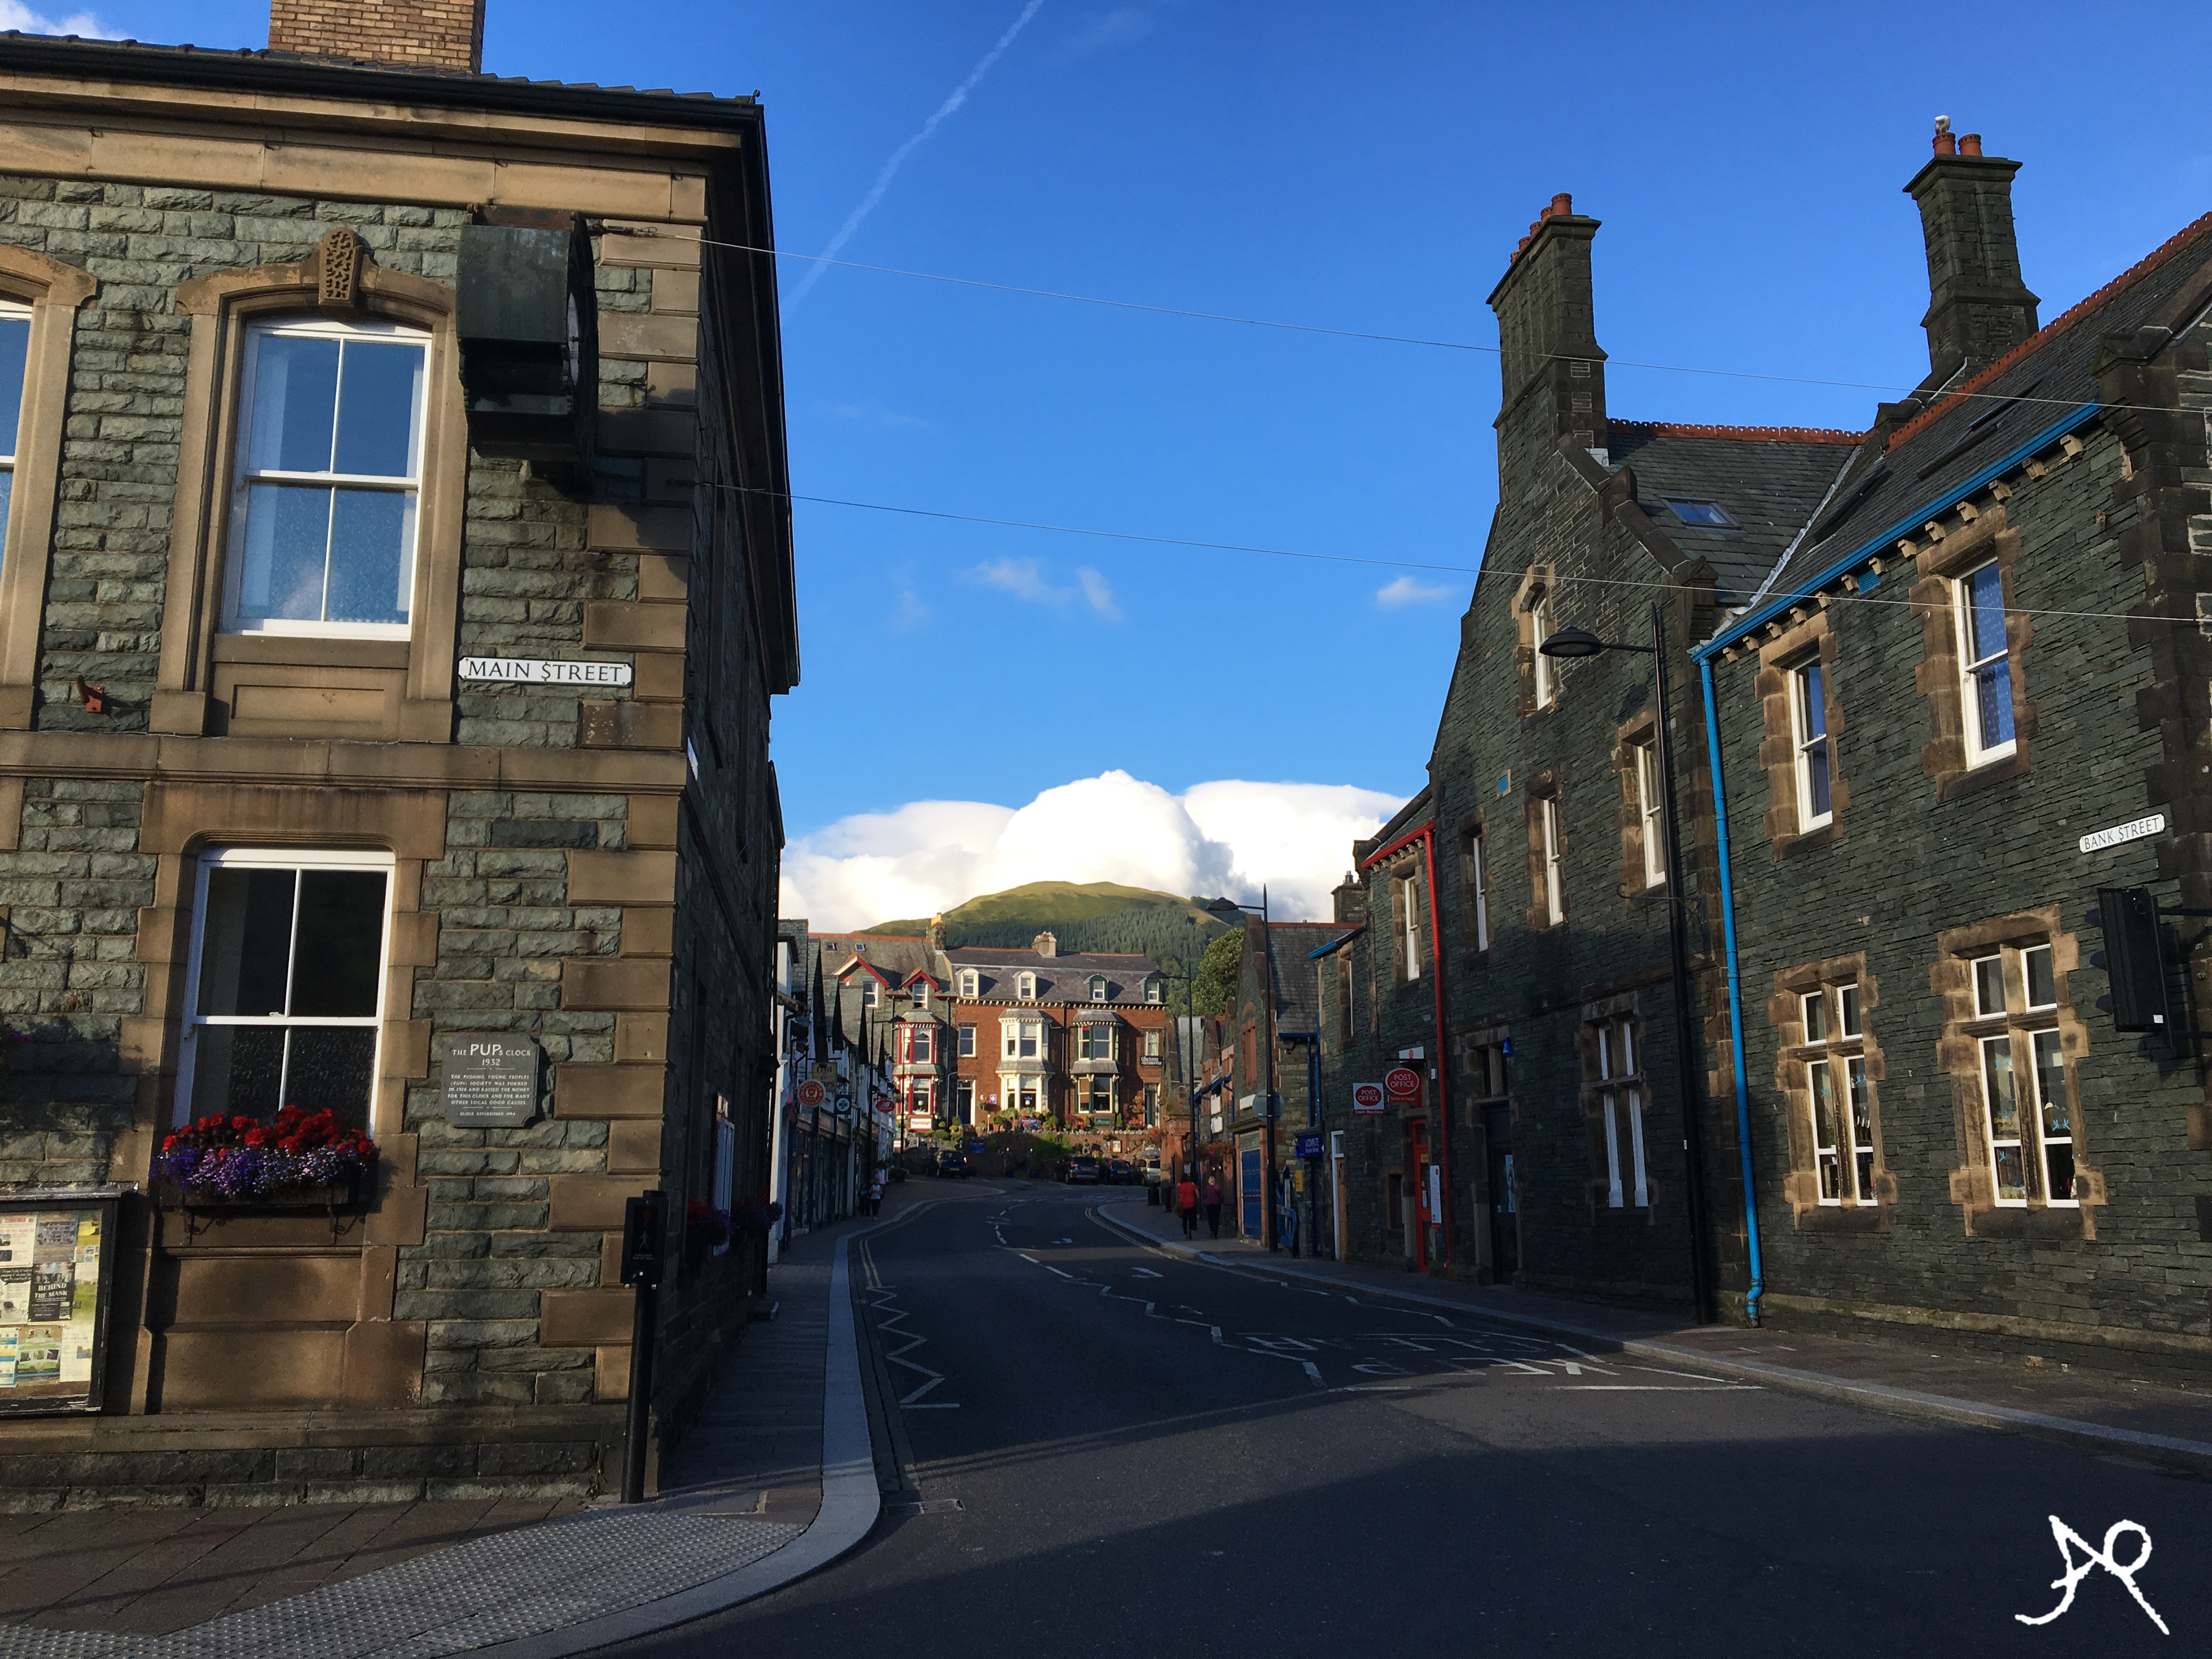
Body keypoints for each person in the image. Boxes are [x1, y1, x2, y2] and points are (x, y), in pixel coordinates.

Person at [1176, 1172, 1200, 1239]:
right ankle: (1190, 1229)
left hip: (1183, 1204)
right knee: (1191, 1219)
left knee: (1184, 1220)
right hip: (1192, 1204)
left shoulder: (1180, 1185)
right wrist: (1198, 1199)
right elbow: (1197, 1194)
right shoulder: (1192, 1184)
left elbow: (1177, 1190)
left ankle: (1185, 1234)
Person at [1203, 1173, 1224, 1240]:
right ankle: (1216, 1234)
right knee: (1216, 1218)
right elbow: (1221, 1196)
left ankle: (1212, 1229)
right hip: (1217, 1204)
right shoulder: (1218, 1187)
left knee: (1210, 1218)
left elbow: (1205, 1196)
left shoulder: (1207, 1188)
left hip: (1210, 1205)